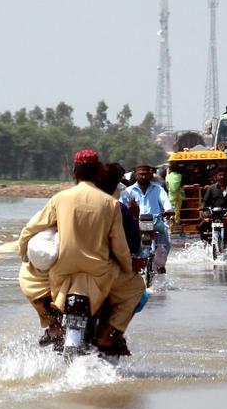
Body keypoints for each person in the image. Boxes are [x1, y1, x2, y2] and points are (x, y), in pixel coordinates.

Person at [18, 149, 140, 352]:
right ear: (98, 172)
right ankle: (107, 335)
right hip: (100, 273)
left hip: (61, 270)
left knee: (25, 276)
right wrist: (128, 268)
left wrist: (23, 251)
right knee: (136, 287)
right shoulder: (110, 204)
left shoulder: (60, 198)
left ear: (75, 172)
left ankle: (53, 325)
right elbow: (119, 245)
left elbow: (31, 229)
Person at [120, 164, 174, 274]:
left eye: (145, 174)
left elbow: (166, 202)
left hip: (155, 221)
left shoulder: (158, 189)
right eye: (141, 174)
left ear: (150, 174)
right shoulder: (128, 191)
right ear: (136, 175)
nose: (143, 177)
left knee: (165, 241)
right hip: (136, 223)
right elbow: (121, 205)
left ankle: (161, 264)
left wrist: (168, 210)